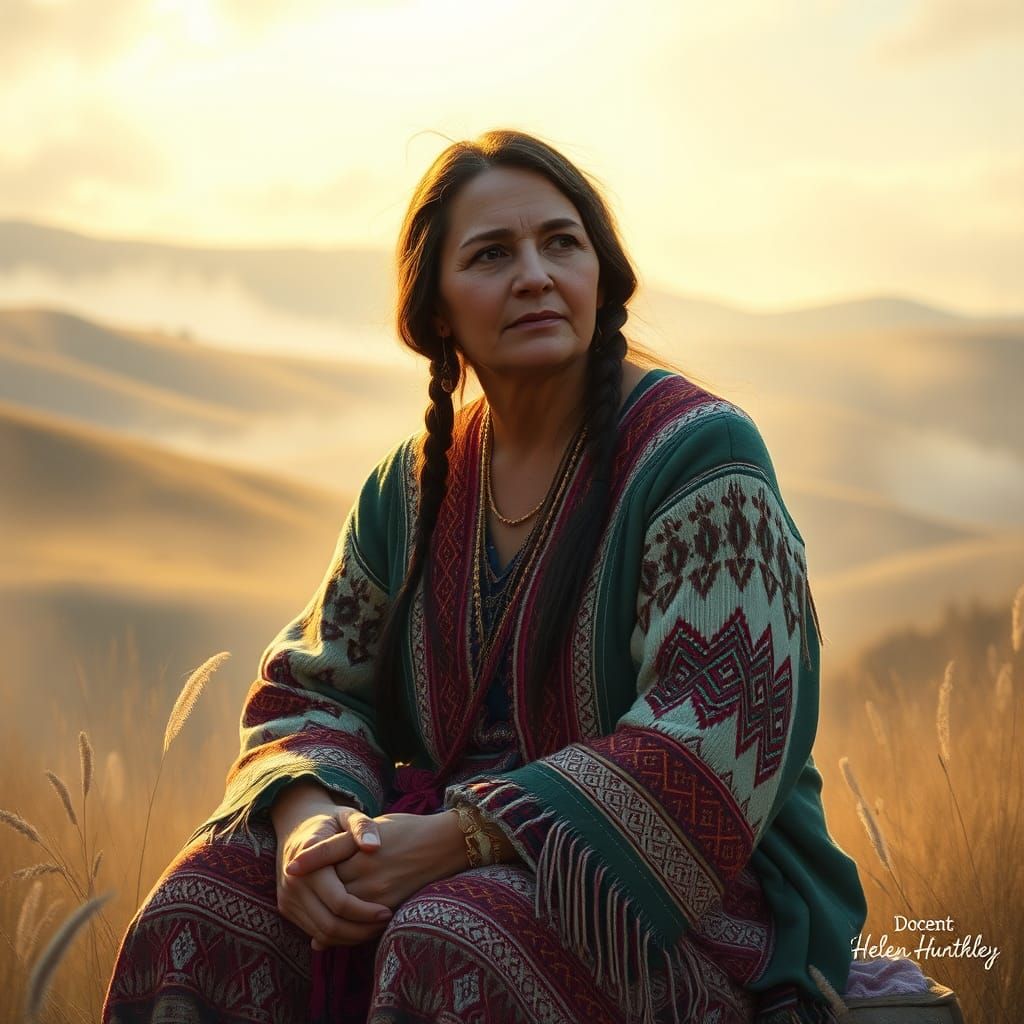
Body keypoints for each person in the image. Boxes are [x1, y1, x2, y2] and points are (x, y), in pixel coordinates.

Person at [103, 128, 868, 1024]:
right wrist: (310, 825)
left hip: (690, 906)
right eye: (492, 254)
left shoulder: (703, 460)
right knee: (201, 907)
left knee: (452, 936)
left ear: (601, 276)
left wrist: (460, 838)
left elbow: (711, 743)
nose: (536, 275)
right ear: (435, 311)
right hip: (422, 856)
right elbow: (315, 690)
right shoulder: (414, 485)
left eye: (561, 244)